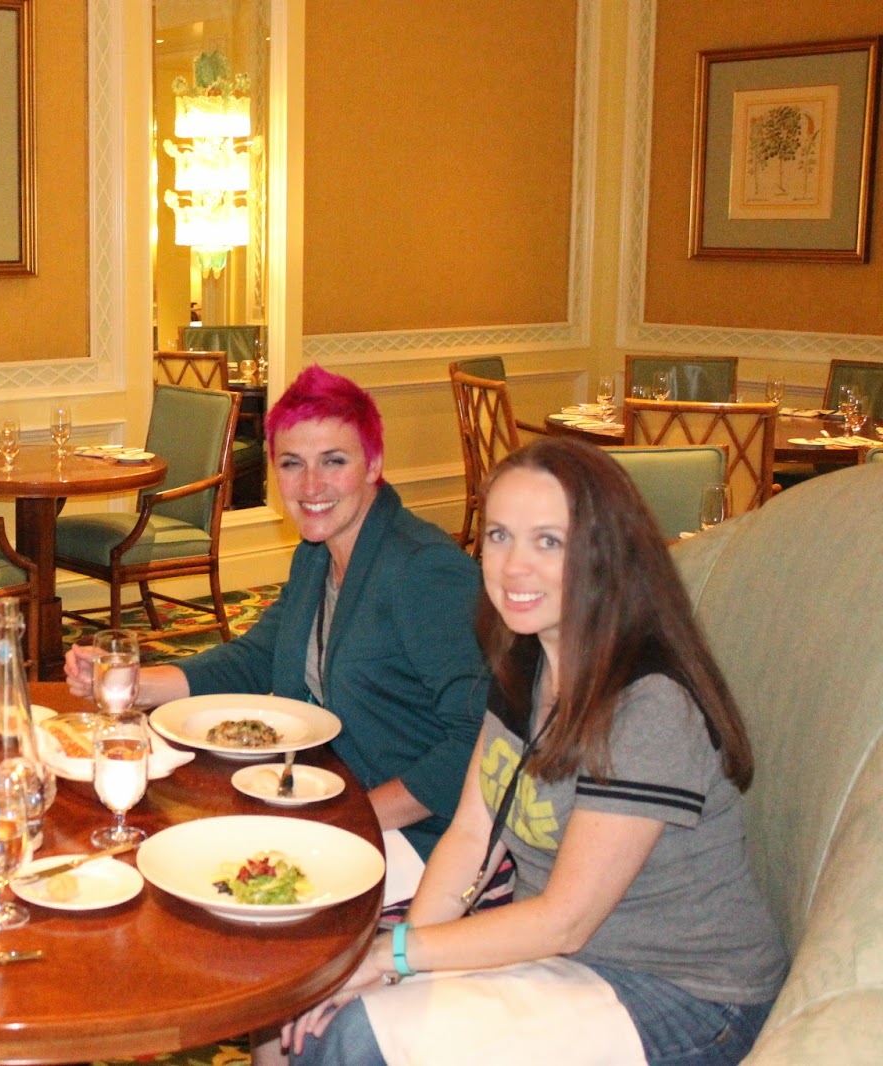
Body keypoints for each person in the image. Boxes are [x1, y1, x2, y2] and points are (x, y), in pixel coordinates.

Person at [277, 436, 787, 1066]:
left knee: (357, 1038)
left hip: (684, 994)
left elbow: (565, 920)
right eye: (499, 536)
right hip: (566, 964)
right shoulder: (527, 663)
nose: (514, 566)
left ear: (605, 554)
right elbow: (471, 835)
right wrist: (399, 964)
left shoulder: (646, 704)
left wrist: (393, 954)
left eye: (548, 541)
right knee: (309, 1010)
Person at [66, 365, 488, 871]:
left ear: (373, 463)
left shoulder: (423, 570)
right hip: (325, 794)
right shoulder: (318, 553)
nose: (310, 485)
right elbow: (259, 657)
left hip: (423, 836)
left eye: (333, 461)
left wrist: (351, 820)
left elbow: (480, 744)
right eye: (292, 464)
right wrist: (132, 683)